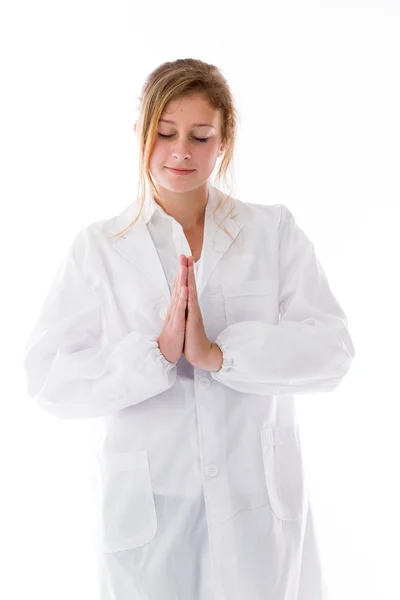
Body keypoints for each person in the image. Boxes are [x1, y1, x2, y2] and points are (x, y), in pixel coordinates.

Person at [22, 58, 355, 600]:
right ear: (140, 134)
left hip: (254, 505)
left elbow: (333, 351)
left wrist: (219, 355)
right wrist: (153, 355)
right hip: (152, 505)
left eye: (201, 136)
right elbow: (48, 380)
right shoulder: (100, 248)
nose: (181, 152)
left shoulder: (272, 232)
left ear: (223, 140)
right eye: (165, 133)